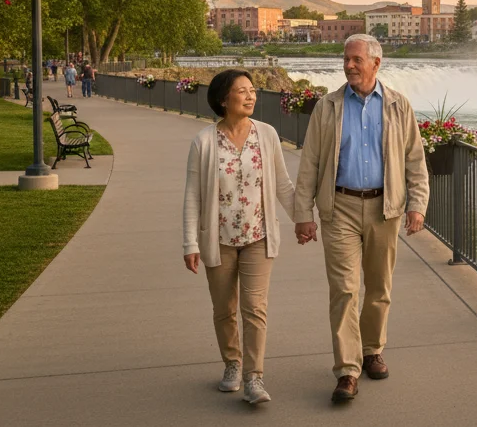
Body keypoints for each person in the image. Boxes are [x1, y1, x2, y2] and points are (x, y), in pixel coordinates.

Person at [292, 34, 429, 404]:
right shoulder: (328, 106)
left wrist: (417, 204)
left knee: (379, 288)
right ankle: (348, 369)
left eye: (356, 59)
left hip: (386, 209)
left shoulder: (399, 106)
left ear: (375, 63)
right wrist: (303, 214)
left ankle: (372, 350)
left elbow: (415, 160)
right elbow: (311, 164)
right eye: (346, 59)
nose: (349, 65)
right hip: (340, 209)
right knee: (345, 290)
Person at [183, 69, 296, 405]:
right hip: (218, 238)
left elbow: (283, 185)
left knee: (255, 308)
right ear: (223, 99)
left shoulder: (267, 134)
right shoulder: (203, 142)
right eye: (242, 91)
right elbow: (192, 197)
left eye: (253, 90)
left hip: (259, 235)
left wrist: (303, 219)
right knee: (224, 309)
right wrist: (190, 243)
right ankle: (232, 363)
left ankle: (254, 377)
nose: (251, 96)